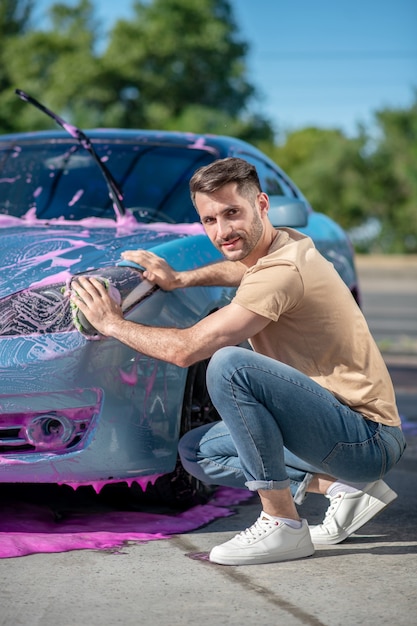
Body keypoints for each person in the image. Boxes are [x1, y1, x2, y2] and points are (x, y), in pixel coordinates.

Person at [72, 157, 405, 566]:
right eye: (210, 219)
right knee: (198, 451)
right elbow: (240, 270)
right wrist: (180, 279)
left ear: (261, 205)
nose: (222, 230)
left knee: (230, 365)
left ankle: (283, 525)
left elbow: (186, 350)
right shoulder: (284, 243)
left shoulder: (282, 271)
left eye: (233, 213)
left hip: (365, 438)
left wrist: (112, 324)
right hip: (339, 428)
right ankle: (347, 489)